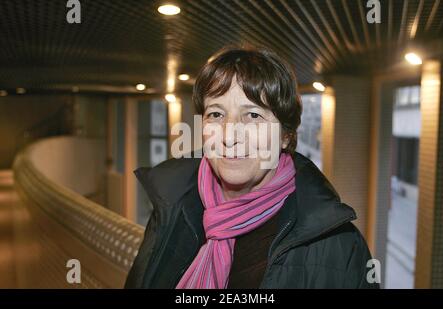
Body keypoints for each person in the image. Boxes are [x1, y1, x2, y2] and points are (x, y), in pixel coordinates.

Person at [125, 46, 379, 289]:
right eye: (216, 114)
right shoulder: (171, 207)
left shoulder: (339, 246)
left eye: (253, 115)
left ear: (286, 136)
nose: (230, 135)